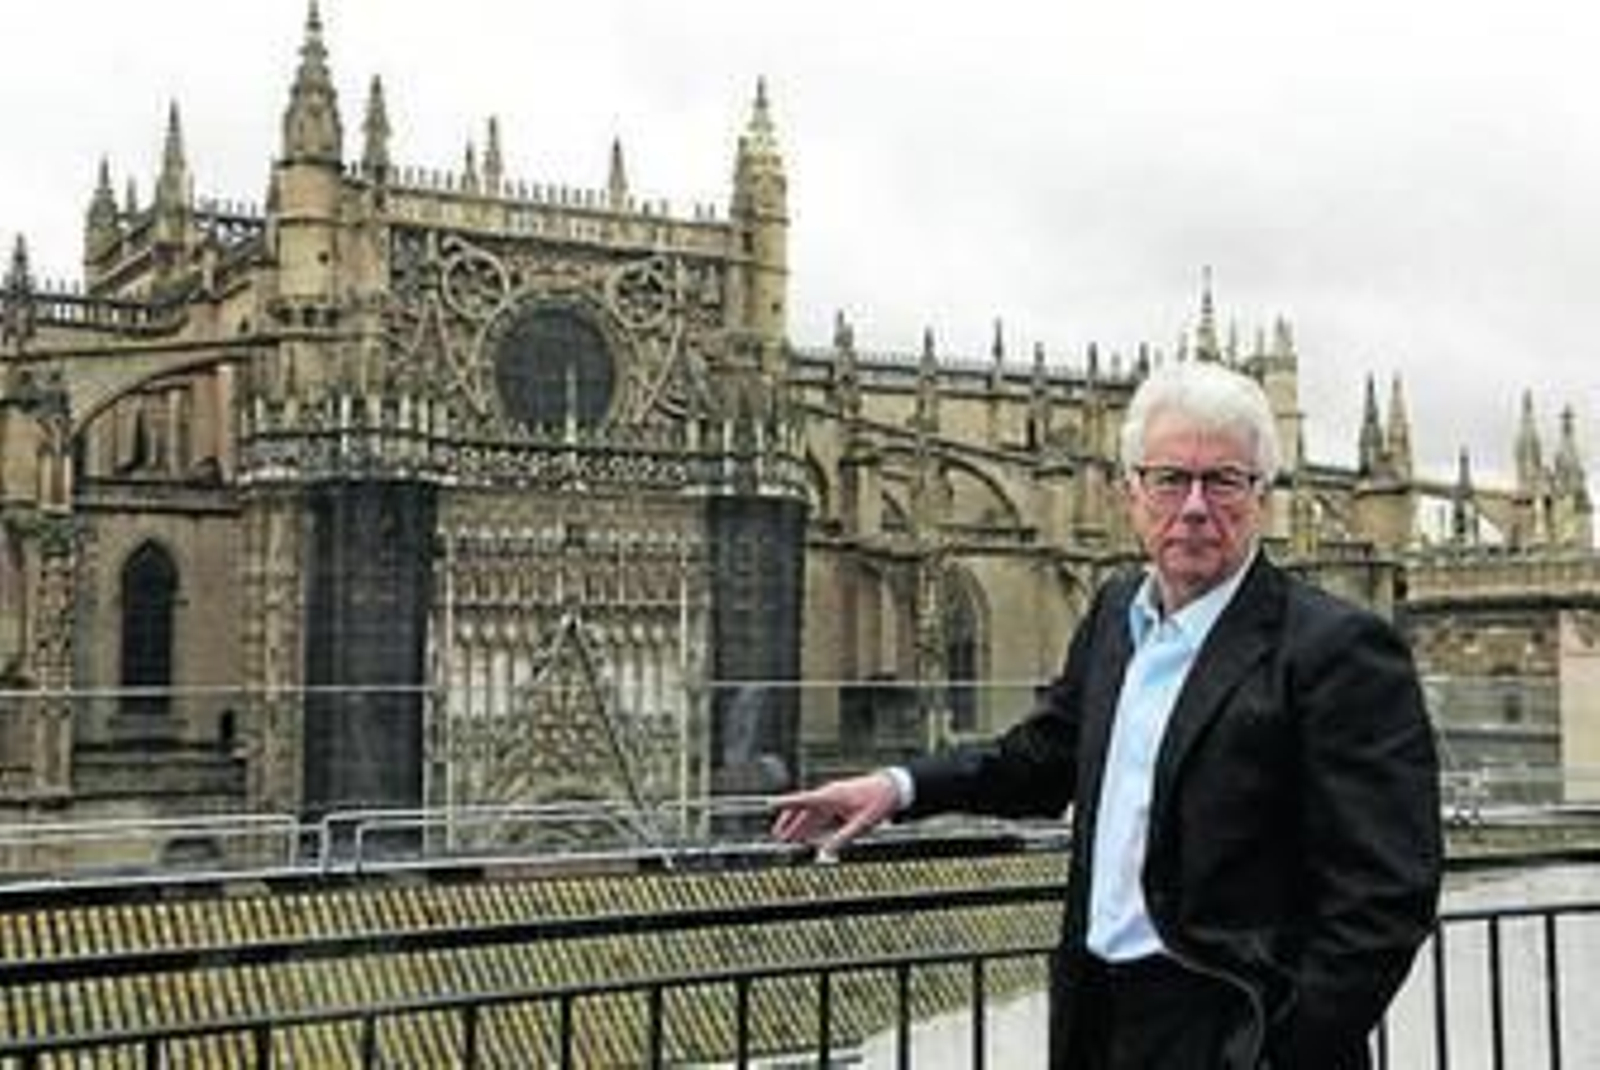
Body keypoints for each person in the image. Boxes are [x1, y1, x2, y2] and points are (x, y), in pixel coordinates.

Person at [771, 360, 1442, 1069]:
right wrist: (897, 787)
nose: (1193, 507)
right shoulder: (1118, 611)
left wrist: (1280, 1051)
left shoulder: (1340, 650)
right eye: (1168, 480)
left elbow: (1387, 896)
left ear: (1264, 499)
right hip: (1099, 1015)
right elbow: (1041, 759)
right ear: (1128, 493)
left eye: (1223, 481)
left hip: (1234, 1026)